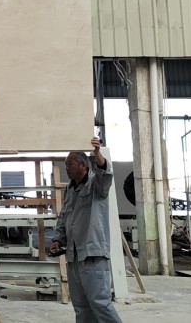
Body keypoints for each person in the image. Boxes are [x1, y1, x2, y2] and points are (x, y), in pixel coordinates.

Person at [49, 137, 123, 323]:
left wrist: (97, 153)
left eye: (70, 164)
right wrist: (58, 239)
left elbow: (106, 173)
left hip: (92, 256)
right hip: (73, 256)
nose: (66, 167)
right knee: (81, 306)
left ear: (83, 165)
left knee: (100, 303)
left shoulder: (96, 185)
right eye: (66, 164)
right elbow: (64, 217)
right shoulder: (69, 190)